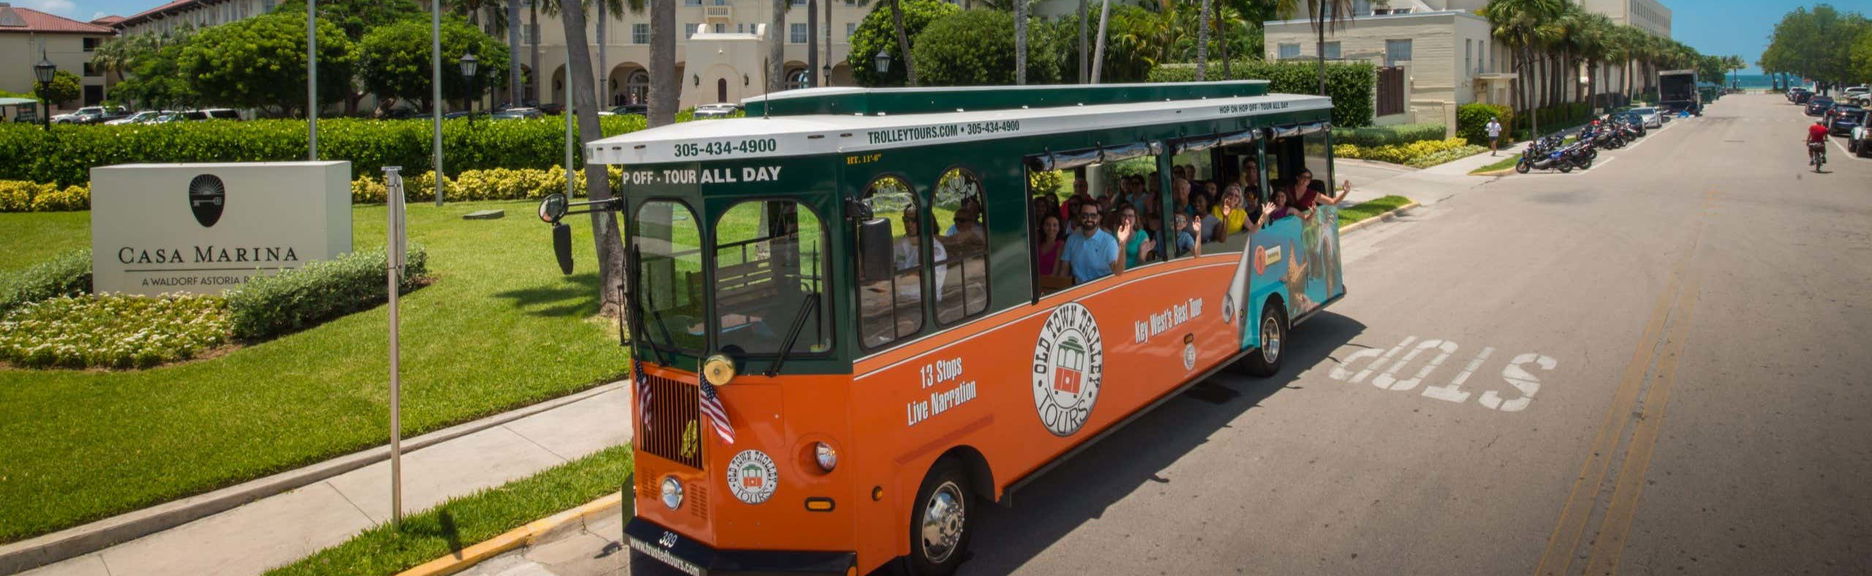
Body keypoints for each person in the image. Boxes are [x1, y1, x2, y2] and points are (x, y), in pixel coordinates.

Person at [1061, 203, 1125, 284]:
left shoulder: (1109, 242)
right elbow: (1064, 270)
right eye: (1085, 215)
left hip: (1100, 290)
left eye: (1093, 216)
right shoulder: (1071, 240)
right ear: (1079, 217)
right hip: (1076, 290)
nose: (1089, 219)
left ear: (1098, 218)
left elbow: (1117, 272)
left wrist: (1122, 244)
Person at [892, 206, 946, 300]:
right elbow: (888, 263)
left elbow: (919, 275)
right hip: (899, 297)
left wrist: (889, 285)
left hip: (923, 302)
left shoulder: (935, 249)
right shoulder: (900, 244)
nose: (909, 224)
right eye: (906, 220)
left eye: (914, 220)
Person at [1116, 203, 1155, 267]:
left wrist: (1141, 254)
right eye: (1124, 215)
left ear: (1135, 218)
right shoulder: (1115, 233)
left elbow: (1142, 263)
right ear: (1120, 217)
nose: (1127, 218)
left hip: (1134, 272)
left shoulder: (1142, 235)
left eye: (1130, 216)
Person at [1034, 213, 1066, 278]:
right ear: (1043, 227)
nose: (1051, 228)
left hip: (1050, 284)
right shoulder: (1037, 244)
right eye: (1048, 225)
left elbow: (1055, 274)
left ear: (1059, 228)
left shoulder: (1061, 246)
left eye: (1055, 225)